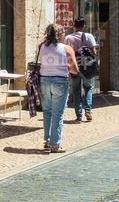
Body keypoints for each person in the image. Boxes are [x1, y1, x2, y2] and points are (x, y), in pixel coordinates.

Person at [38, 23, 79, 153]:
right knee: (58, 114)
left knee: (47, 112)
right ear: (61, 35)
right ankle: (55, 145)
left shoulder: (41, 46)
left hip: (44, 80)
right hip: (59, 81)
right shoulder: (66, 48)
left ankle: (47, 141)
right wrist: (66, 66)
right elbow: (75, 70)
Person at [65, 17, 98, 122]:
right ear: (84, 26)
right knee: (88, 88)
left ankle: (78, 116)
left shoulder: (68, 38)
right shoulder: (89, 36)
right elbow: (94, 52)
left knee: (75, 90)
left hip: (74, 68)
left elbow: (66, 53)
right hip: (87, 68)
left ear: (74, 26)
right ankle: (88, 110)